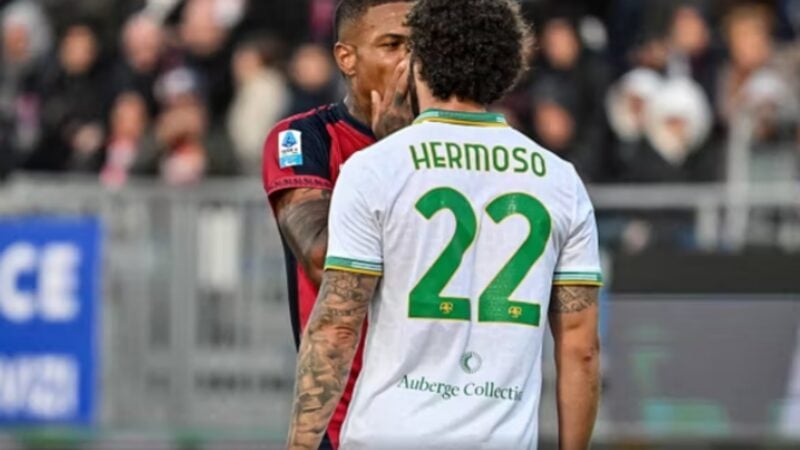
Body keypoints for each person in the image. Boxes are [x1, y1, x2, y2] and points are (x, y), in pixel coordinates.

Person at [287, 0, 602, 449]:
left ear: (420, 60)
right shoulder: (560, 180)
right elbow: (581, 348)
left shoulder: (376, 167)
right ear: (507, 68)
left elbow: (336, 329)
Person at [261, 1, 413, 449]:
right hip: (345, 416)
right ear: (346, 57)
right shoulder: (302, 138)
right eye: (392, 45)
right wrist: (393, 154)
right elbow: (321, 256)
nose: (409, 61)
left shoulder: (453, 144)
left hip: (442, 407)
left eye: (418, 46)